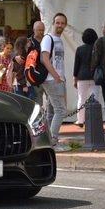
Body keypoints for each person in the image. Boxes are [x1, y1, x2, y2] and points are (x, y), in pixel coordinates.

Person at [41, 13, 68, 152]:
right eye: (58, 22)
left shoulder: (59, 39)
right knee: (61, 110)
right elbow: (45, 59)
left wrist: (62, 77)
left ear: (65, 25)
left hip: (57, 78)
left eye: (62, 23)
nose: (60, 25)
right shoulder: (48, 38)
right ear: (53, 23)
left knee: (51, 112)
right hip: (52, 80)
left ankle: (48, 141)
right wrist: (56, 77)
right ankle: (54, 142)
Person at [72, 28, 99, 127]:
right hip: (95, 76)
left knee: (81, 98)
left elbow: (76, 65)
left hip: (82, 76)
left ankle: (80, 121)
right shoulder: (97, 49)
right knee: (94, 98)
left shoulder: (80, 49)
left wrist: (75, 78)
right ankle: (94, 120)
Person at [28, 21, 46, 105]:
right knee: (37, 101)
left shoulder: (47, 40)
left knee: (50, 99)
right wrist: (16, 58)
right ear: (33, 30)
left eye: (42, 30)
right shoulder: (28, 42)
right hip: (34, 74)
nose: (41, 32)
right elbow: (19, 54)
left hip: (47, 73)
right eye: (39, 30)